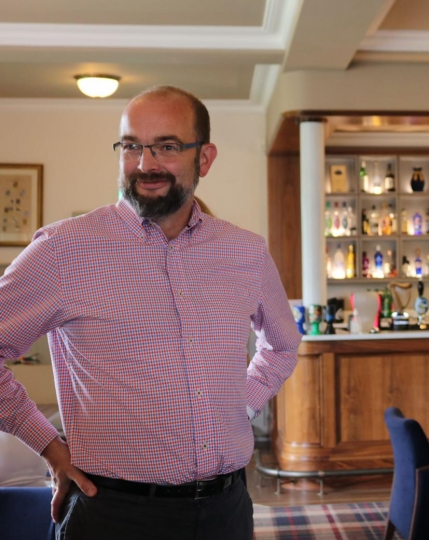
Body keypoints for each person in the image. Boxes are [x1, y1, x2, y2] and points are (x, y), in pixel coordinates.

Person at [0, 86, 301, 540]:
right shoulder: (64, 250)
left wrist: (238, 405)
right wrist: (48, 445)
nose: (145, 164)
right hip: (113, 514)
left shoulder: (246, 252)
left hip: (227, 510)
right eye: (131, 146)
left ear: (205, 158)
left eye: (167, 146)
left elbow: (283, 345)